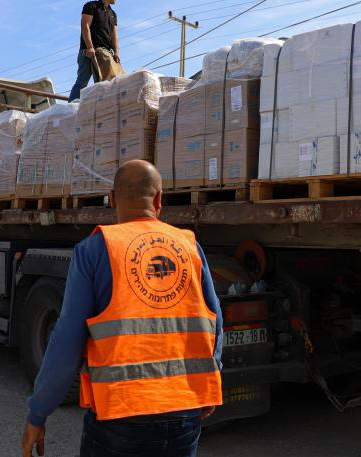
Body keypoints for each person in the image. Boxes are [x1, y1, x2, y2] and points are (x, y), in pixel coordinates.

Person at [21, 160, 223, 457]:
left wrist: (38, 413)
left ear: (112, 199)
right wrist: (210, 381)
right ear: (158, 200)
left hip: (121, 414)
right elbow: (215, 322)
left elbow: (66, 341)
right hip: (184, 411)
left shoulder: (95, 249)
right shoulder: (190, 246)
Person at [69, 0, 120, 101]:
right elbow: (85, 26)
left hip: (106, 54)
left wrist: (116, 53)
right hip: (88, 52)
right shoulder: (91, 6)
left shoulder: (113, 14)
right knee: (82, 82)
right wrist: (90, 47)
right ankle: (71, 110)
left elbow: (114, 36)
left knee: (108, 83)